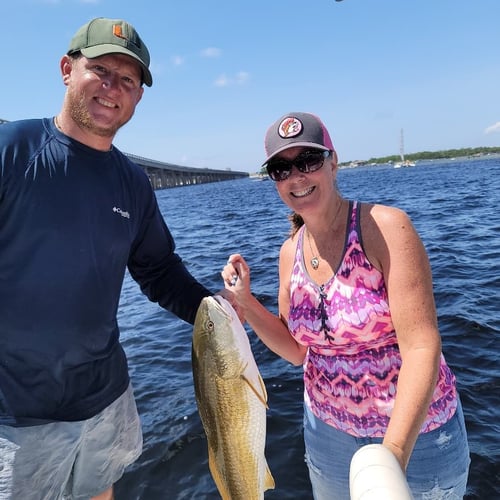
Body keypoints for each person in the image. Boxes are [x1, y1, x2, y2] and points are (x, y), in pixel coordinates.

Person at [0, 17, 225, 500]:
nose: (112, 88)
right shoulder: (11, 150)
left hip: (107, 398)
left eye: (128, 80)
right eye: (100, 70)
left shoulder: (133, 182)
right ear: (66, 69)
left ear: (139, 95)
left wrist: (216, 310)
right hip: (17, 417)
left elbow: (159, 271)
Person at [222, 112, 470, 499]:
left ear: (333, 162)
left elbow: (422, 346)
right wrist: (247, 302)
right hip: (328, 435)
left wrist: (391, 457)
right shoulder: (290, 252)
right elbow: (296, 351)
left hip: (416, 437)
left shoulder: (385, 227)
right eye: (282, 168)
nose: (297, 176)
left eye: (309, 161)